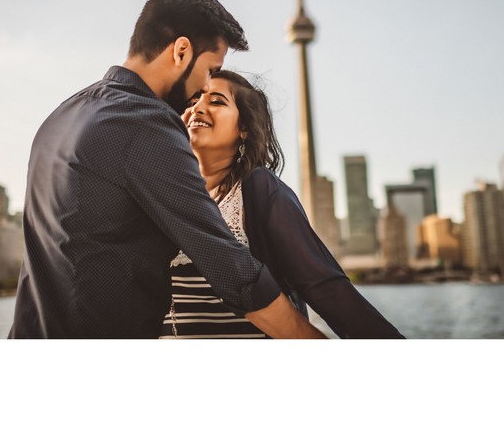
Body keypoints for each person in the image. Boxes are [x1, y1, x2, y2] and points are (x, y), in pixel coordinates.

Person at [9, 0, 325, 339]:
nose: (206, 87)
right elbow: (230, 268)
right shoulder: (146, 125)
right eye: (209, 70)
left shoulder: (63, 115)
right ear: (181, 51)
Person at [160, 70, 405, 339]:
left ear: (244, 129)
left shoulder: (258, 189)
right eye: (192, 101)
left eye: (216, 101)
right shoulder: (162, 192)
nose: (198, 108)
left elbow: (324, 286)